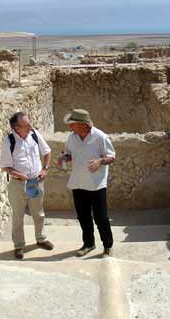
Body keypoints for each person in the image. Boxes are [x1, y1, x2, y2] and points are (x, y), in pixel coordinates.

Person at [58, 109, 115, 257]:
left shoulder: (100, 137)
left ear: (83, 125)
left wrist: (100, 161)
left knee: (101, 218)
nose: (70, 127)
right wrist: (64, 158)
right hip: (78, 183)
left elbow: (111, 157)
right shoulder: (72, 137)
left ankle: (108, 245)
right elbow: (69, 154)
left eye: (73, 124)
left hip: (96, 184)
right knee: (83, 217)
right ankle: (89, 244)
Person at [1, 112, 54, 259]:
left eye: (30, 123)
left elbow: (47, 151)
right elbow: (5, 167)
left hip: (35, 182)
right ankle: (19, 246)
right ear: (17, 128)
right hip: (18, 185)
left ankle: (41, 238)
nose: (30, 126)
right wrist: (20, 175)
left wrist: (45, 169)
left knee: (38, 212)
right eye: (26, 125)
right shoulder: (9, 141)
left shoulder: (34, 134)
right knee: (18, 216)